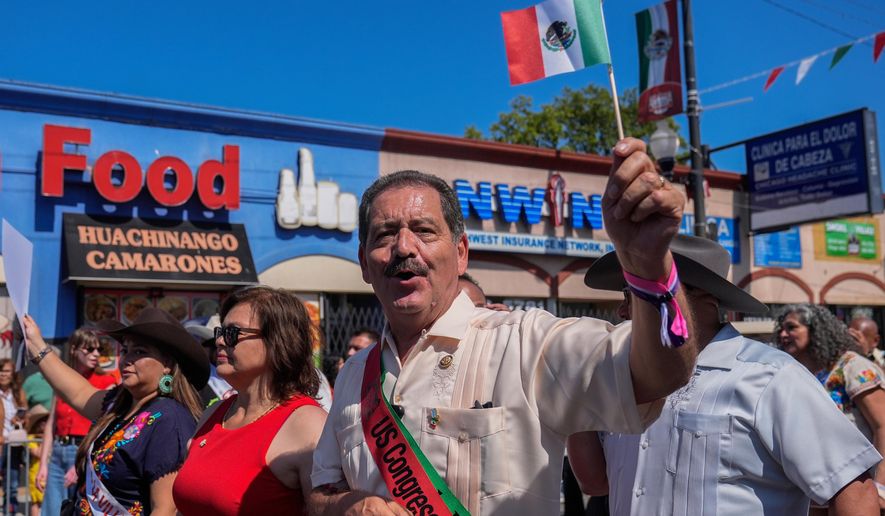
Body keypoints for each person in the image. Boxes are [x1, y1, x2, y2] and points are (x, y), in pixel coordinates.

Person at [310, 137, 699, 515]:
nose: (404, 247)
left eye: (424, 230)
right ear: (364, 263)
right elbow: (320, 491)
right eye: (385, 234)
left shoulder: (524, 342)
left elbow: (660, 372)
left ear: (461, 253)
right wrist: (347, 505)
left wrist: (648, 266)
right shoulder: (354, 375)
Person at [568, 235, 881, 515]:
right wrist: (576, 388)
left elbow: (854, 491)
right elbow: (597, 483)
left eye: (634, 295)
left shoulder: (770, 378)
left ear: (696, 300)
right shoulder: (625, 380)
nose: (623, 312)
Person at [22, 308, 208, 515]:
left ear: (167, 365)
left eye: (140, 351)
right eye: (126, 350)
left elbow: (164, 509)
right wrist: (37, 344)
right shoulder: (119, 405)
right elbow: (79, 393)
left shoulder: (170, 420)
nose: (126, 358)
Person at [172, 286, 327, 515]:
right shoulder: (215, 414)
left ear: (278, 341)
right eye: (220, 332)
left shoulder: (308, 424)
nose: (220, 341)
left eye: (233, 333)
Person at [776, 304, 885, 509]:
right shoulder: (804, 374)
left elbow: (884, 425)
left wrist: (881, 488)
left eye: (791, 327)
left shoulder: (852, 366)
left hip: (859, 495)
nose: (783, 334)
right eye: (781, 328)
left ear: (816, 330)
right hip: (820, 498)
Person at [36, 327, 117, 516]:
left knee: (79, 510)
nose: (95, 354)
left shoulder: (107, 382)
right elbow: (51, 425)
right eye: (89, 349)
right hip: (58, 451)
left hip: (85, 452)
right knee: (50, 511)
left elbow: (105, 428)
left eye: (99, 350)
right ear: (73, 349)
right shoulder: (62, 382)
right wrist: (43, 464)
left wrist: (79, 463)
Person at [25, 405, 49, 516]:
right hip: (36, 472)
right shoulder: (31, 438)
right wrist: (45, 439)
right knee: (36, 501)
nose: (45, 423)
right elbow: (38, 453)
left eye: (46, 420)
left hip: (49, 471)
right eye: (42, 421)